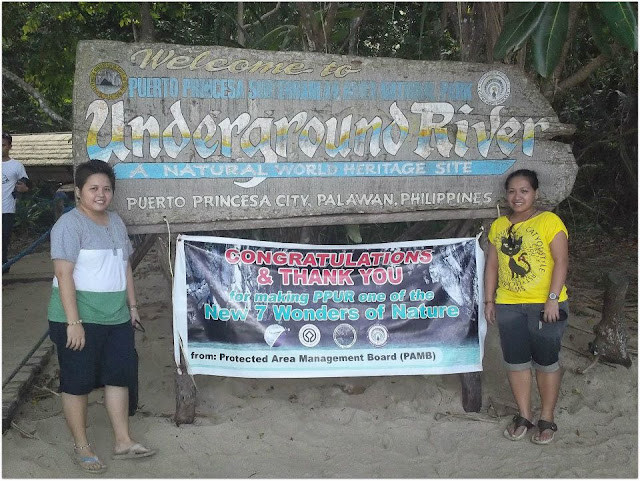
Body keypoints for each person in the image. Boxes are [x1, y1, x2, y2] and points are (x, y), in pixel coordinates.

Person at [47, 160, 156, 474]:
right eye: (93, 188)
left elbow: (124, 267)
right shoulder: (69, 225)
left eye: (107, 189)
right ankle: (82, 447)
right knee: (77, 382)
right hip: (79, 318)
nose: (101, 194)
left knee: (118, 376)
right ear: (78, 191)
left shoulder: (116, 221)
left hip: (116, 316)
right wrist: (74, 323)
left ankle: (123, 441)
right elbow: (63, 274)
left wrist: (132, 307)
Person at [484, 169, 569, 445]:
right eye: (511, 191)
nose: (517, 196)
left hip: (545, 304)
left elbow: (561, 261)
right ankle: (524, 415)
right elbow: (492, 266)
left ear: (536, 193)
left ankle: (547, 417)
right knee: (516, 361)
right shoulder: (499, 226)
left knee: (546, 361)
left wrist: (553, 298)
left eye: (524, 191)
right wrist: (489, 300)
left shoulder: (549, 221)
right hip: (509, 304)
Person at [2, 132, 31, 273]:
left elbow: (26, 183)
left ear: (9, 146)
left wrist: (24, 189)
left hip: (6, 208)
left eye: (3, 145)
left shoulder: (16, 166)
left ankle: (3, 265)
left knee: (4, 239)